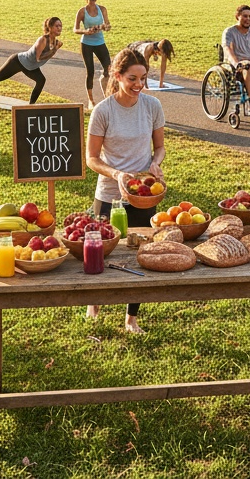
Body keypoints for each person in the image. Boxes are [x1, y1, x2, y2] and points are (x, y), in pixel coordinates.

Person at [85, 48, 165, 334]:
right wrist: (117, 173)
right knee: (101, 253)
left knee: (140, 253)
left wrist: (155, 164)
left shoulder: (152, 106)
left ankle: (131, 317)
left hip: (143, 193)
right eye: (132, 78)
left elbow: (160, 147)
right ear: (117, 76)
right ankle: (94, 301)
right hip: (108, 193)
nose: (139, 84)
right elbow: (91, 158)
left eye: (143, 78)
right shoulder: (103, 111)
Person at [0, 18, 64, 105]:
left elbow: (47, 56)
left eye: (60, 26)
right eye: (56, 26)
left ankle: (31, 105)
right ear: (50, 27)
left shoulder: (55, 42)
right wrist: (55, 50)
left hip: (30, 67)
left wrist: (55, 49)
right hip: (18, 62)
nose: (59, 28)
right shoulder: (43, 40)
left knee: (41, 80)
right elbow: (38, 58)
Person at [74, 0, 112, 109]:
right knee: (90, 72)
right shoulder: (82, 11)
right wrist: (85, 31)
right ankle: (91, 100)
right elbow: (75, 29)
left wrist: (105, 27)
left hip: (100, 42)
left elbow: (108, 25)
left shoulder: (102, 9)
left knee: (109, 70)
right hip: (86, 44)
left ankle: (107, 96)